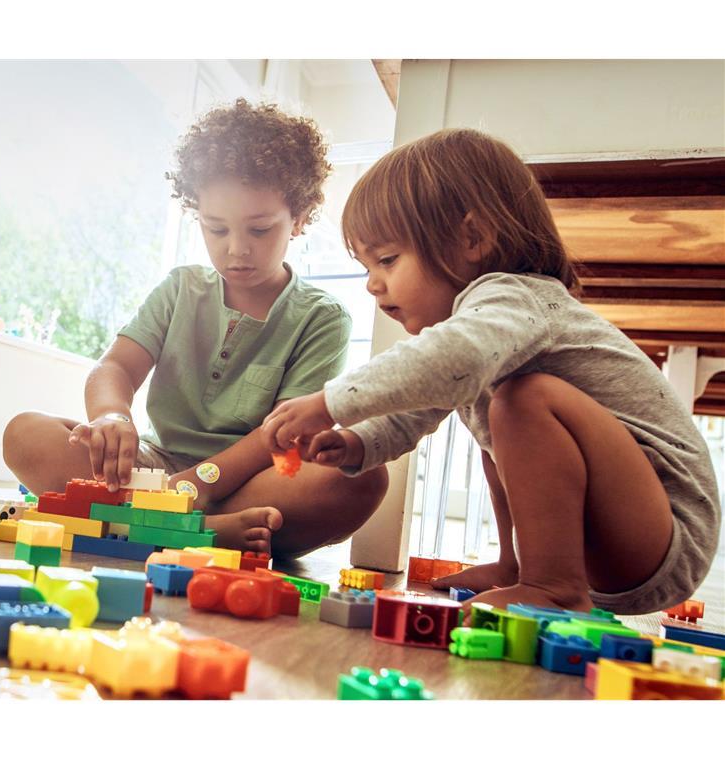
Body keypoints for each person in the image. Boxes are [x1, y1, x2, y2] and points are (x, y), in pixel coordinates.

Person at [262, 128, 720, 614]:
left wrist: (329, 401)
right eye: (368, 267)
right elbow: (416, 407)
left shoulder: (515, 298)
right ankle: (518, 568)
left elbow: (448, 360)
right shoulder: (479, 336)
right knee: (499, 424)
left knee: (523, 399)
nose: (374, 284)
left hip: (663, 533)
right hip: (620, 537)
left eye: (389, 260)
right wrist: (357, 442)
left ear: (473, 238)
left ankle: (551, 585)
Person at [3, 99, 389, 556]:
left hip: (247, 485)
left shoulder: (322, 318)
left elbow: (283, 438)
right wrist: (111, 417)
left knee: (360, 479)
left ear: (300, 218)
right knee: (24, 433)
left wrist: (201, 483)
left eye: (260, 230)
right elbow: (116, 369)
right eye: (216, 229)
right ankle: (196, 530)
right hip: (152, 471)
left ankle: (140, 524)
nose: (236, 250)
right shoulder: (180, 288)